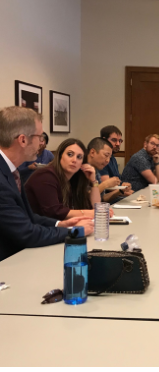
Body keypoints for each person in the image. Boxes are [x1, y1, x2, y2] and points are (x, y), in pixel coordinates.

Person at [0, 107, 93, 262]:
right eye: (39, 136)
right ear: (23, 140)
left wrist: (61, 224)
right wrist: (74, 231)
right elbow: (27, 234)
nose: (42, 143)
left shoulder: (10, 171)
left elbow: (28, 218)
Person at [26, 139, 103, 221]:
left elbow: (94, 206)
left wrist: (94, 181)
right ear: (60, 155)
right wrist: (93, 213)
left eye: (79, 157)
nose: (74, 160)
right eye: (70, 154)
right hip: (34, 229)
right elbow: (55, 212)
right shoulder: (45, 176)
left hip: (55, 228)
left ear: (82, 163)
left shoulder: (74, 179)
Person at [87, 137, 134, 203]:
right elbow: (83, 198)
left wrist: (120, 190)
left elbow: (102, 199)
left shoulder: (95, 170)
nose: (108, 160)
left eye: (110, 157)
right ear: (92, 152)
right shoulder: (81, 169)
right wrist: (105, 184)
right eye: (106, 155)